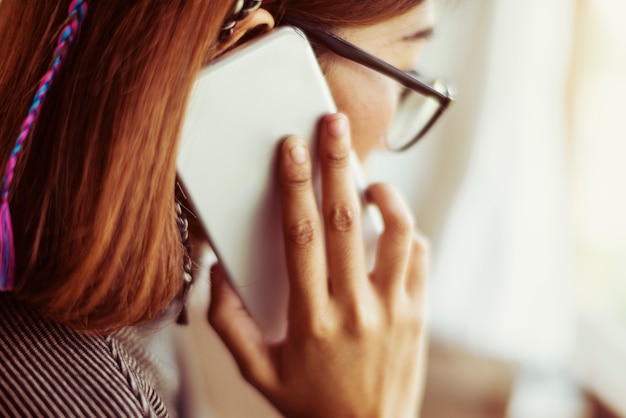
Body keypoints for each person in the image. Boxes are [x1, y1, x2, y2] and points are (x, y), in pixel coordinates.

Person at [0, 0, 451, 417]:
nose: (390, 143)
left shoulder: (140, 293)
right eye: (404, 70)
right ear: (247, 52)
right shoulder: (97, 399)